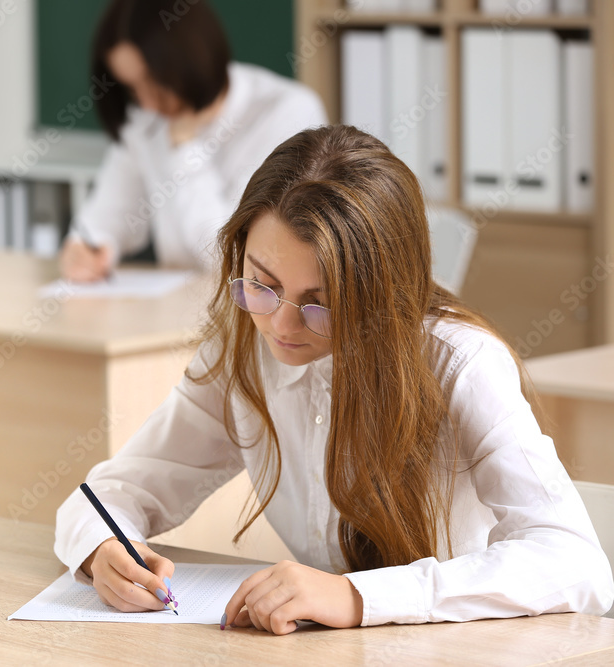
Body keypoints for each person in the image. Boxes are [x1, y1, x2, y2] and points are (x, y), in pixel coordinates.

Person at [54, 125, 614, 634]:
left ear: (383, 295)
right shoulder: (244, 350)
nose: (280, 323)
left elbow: (576, 564)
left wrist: (355, 598)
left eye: (321, 304)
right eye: (261, 284)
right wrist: (102, 546)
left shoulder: (460, 364)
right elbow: (113, 492)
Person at [59, 0, 327, 282]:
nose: (147, 102)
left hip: (260, 315)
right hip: (173, 314)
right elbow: (105, 220)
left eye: (153, 81)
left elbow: (235, 260)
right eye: (132, 88)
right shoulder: (146, 120)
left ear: (187, 56)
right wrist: (85, 248)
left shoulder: (287, 112)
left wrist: (185, 150)